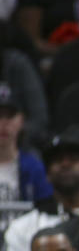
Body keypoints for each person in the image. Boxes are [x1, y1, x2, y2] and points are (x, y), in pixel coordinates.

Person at [4, 134, 79, 251]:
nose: (65, 164)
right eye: (58, 160)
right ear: (47, 174)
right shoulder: (23, 228)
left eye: (73, 159)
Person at [0, 83, 53, 227]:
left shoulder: (34, 167)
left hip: (22, 243)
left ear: (21, 120)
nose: (3, 123)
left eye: (9, 116)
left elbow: (46, 213)